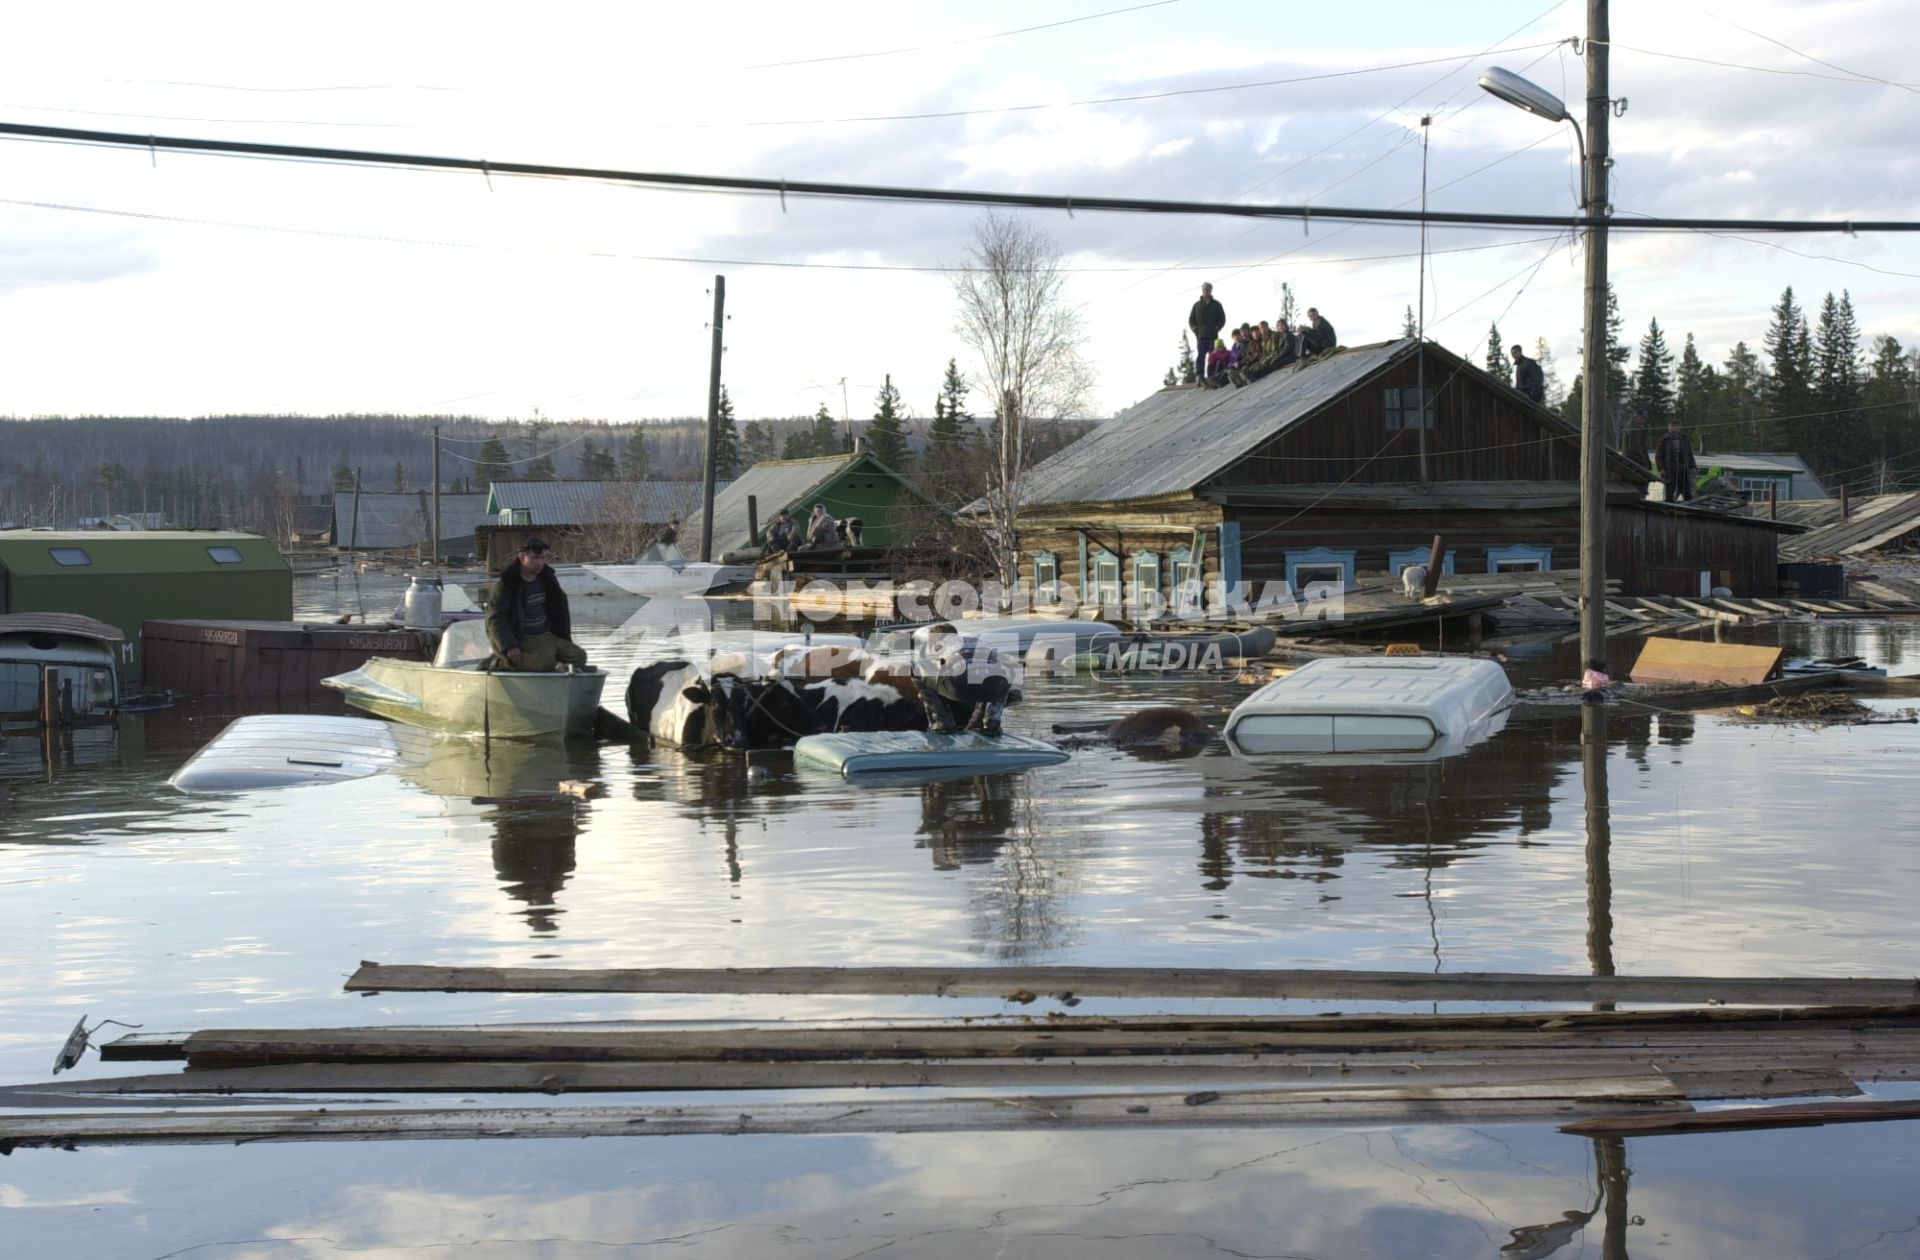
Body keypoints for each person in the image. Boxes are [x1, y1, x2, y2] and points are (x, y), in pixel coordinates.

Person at [485, 536, 588, 672]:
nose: (540, 563)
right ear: (522, 558)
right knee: (543, 663)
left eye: (543, 558)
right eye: (535, 558)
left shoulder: (548, 579)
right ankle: (500, 662)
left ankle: (556, 678)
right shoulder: (507, 584)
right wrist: (509, 647)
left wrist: (563, 637)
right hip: (523, 638)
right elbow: (495, 619)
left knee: (579, 656)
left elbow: (559, 611)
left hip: (547, 635)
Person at [913, 622, 1012, 736]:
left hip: (960, 686)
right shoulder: (975, 640)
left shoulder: (939, 644)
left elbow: (930, 665)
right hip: (995, 685)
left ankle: (942, 723)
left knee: (917, 670)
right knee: (999, 674)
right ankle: (991, 722)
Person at [1188, 282, 1226, 380]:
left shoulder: (1216, 305)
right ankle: (1199, 376)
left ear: (1211, 290)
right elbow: (1191, 320)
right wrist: (1195, 329)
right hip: (1200, 336)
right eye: (1204, 289)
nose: (1206, 291)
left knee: (1213, 357)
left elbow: (1222, 318)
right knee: (1200, 357)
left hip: (1213, 336)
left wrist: (1217, 327)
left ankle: (1212, 375)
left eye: (1208, 289)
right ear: (1202, 291)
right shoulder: (1197, 305)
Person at [1655, 418, 1698, 503]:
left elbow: (1689, 454)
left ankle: (1688, 509)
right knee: (1670, 491)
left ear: (1679, 427)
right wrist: (1661, 469)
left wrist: (1693, 467)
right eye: (1673, 426)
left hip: (1683, 468)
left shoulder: (1684, 439)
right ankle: (1668, 509)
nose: (1675, 428)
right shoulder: (1664, 440)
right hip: (1670, 468)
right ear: (1669, 427)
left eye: (1677, 426)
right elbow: (1658, 457)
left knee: (1687, 491)